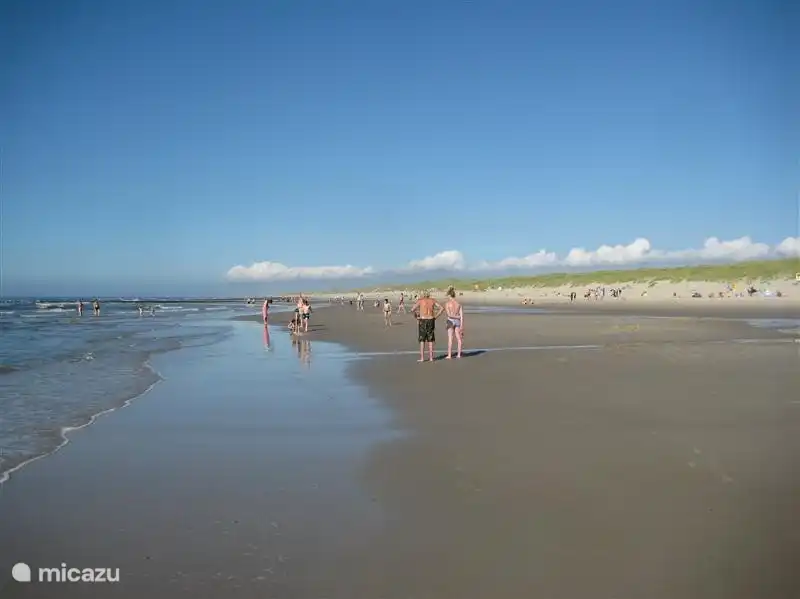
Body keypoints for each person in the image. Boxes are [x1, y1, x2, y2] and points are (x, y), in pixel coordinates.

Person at [411, 291, 444, 362]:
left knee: (422, 340)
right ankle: (431, 358)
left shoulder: (420, 301)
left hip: (422, 320)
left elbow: (412, 309)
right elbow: (441, 308)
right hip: (431, 320)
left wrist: (416, 317)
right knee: (430, 339)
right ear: (429, 295)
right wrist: (435, 316)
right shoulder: (432, 300)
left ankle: (422, 358)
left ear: (423, 295)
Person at [444, 287, 464, 359]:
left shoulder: (447, 304)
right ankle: (459, 354)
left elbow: (449, 315)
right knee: (459, 338)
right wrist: (461, 325)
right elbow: (461, 316)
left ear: (449, 295)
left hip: (450, 321)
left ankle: (449, 355)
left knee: (450, 338)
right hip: (457, 321)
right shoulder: (458, 304)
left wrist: (456, 317)